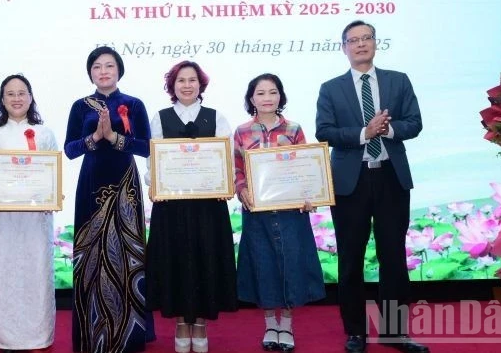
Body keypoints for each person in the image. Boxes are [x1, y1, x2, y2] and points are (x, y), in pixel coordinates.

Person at [315, 20, 427, 353]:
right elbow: (325, 131)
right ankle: (355, 333)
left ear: (376, 43)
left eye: (367, 38)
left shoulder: (398, 81)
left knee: (393, 256)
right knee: (351, 259)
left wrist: (386, 130)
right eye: (354, 40)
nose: (361, 44)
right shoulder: (330, 88)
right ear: (344, 47)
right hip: (352, 181)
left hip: (391, 177)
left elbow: (414, 123)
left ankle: (395, 332)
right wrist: (365, 132)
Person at [64, 46, 154, 353]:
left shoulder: (134, 104)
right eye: (97, 67)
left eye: (109, 66)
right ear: (90, 72)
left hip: (125, 185)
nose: (103, 71)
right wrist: (95, 138)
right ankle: (93, 333)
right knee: (91, 255)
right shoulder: (79, 106)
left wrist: (115, 139)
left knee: (126, 256)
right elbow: (71, 149)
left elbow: (146, 148)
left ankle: (129, 334)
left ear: (119, 70)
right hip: (90, 183)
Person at [145, 60, 238, 353]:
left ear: (201, 84)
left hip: (207, 206)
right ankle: (180, 324)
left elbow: (226, 158)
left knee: (204, 260)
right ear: (172, 86)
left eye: (192, 80)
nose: (187, 85)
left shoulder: (217, 118)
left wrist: (225, 183)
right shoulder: (160, 118)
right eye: (181, 80)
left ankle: (200, 323)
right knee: (176, 262)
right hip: (172, 205)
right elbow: (153, 160)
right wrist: (156, 183)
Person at [233, 73, 325, 352]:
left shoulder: (294, 129)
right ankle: (269, 324)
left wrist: (310, 194)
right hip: (257, 212)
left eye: (273, 93)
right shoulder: (241, 131)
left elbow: (307, 167)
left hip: (289, 211)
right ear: (252, 99)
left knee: (291, 265)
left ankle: (286, 324)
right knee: (263, 266)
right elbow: (237, 169)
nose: (267, 98)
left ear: (280, 97)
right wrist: (242, 189)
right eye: (260, 93)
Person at [0, 74, 57, 350]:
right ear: (2, 99)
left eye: (21, 93)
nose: (16, 98)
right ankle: (4, 337)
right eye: (10, 94)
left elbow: (52, 175)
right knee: (4, 272)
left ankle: (38, 336)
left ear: (31, 97)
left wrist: (52, 194)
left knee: (36, 272)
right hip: (4, 219)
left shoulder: (45, 134)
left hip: (37, 218)